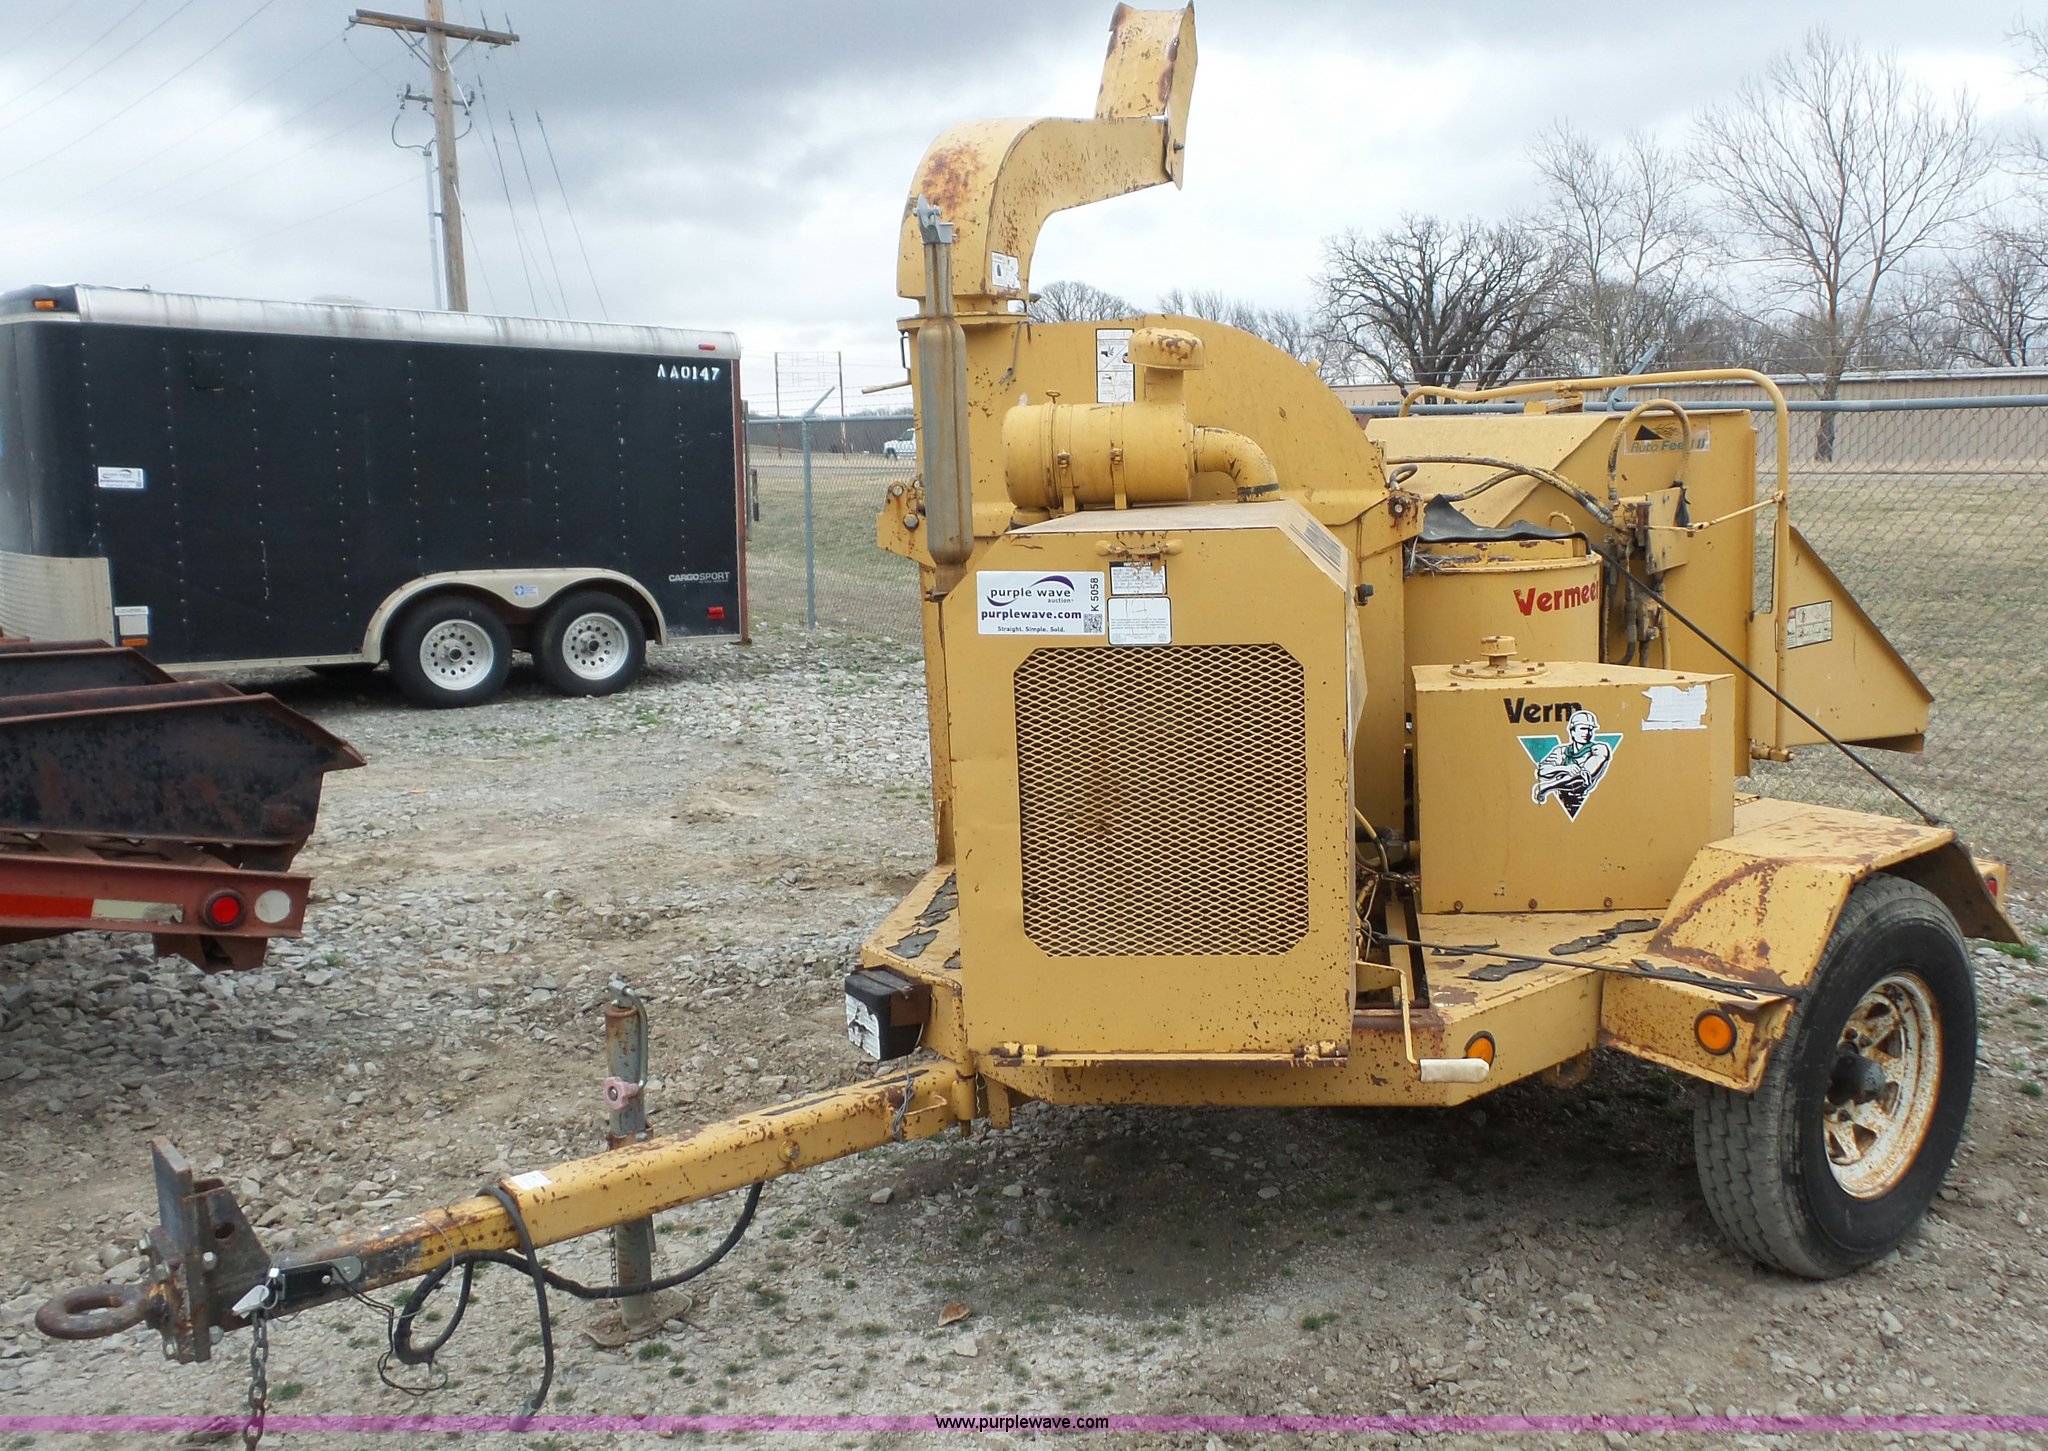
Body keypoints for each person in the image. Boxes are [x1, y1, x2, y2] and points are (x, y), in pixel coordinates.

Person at [1532, 709, 1613, 818]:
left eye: (1590, 729)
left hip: (1584, 803)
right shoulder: (1561, 751)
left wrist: (1547, 787)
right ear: (1572, 731)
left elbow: (1584, 775)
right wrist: (1565, 768)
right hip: (1559, 803)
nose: (1587, 733)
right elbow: (1542, 771)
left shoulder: (1599, 749)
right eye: (1583, 728)